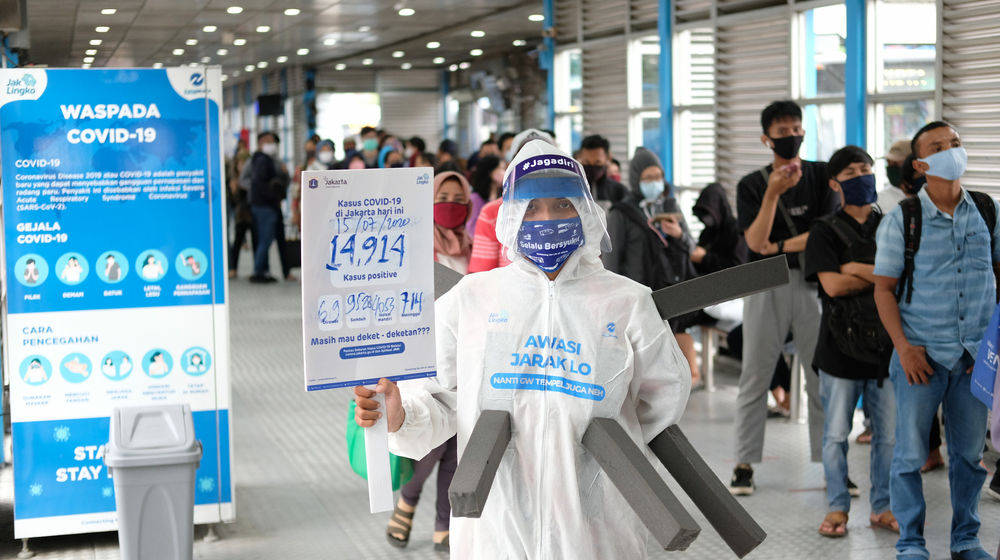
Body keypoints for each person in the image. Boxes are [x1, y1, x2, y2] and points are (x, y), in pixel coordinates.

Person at [354, 139, 690, 559]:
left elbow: (662, 403)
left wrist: (592, 457)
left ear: (584, 210)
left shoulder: (627, 302)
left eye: (562, 205)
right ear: (510, 215)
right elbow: (440, 401)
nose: (546, 218)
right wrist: (401, 413)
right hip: (497, 525)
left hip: (598, 528)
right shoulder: (473, 299)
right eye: (530, 207)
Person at [873, 121, 1000, 560]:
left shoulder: (988, 211)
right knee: (909, 456)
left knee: (968, 457)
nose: (952, 151)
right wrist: (903, 348)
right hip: (919, 358)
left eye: (956, 143)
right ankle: (911, 542)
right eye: (939, 147)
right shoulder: (902, 219)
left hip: (975, 359)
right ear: (922, 163)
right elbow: (883, 289)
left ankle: (966, 540)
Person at [730, 100, 839, 495]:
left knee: (820, 376)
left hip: (813, 284)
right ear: (767, 139)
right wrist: (773, 195)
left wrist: (778, 244)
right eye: (782, 131)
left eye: (796, 128)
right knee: (755, 374)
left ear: (804, 133)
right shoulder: (752, 185)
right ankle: (744, 463)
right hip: (764, 284)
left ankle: (832, 464)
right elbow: (755, 244)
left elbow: (826, 232)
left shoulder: (823, 175)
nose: (790, 135)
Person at [804, 145, 897, 538]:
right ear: (834, 183)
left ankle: (883, 507)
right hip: (838, 351)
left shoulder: (892, 225)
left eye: (866, 168)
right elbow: (833, 285)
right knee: (836, 434)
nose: (862, 175)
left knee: (888, 437)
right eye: (852, 171)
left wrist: (856, 267)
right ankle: (839, 507)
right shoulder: (823, 230)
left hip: (887, 348)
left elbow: (902, 279)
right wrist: (878, 275)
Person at [385, 171, 471, 552]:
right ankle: (407, 499)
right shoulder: (416, 247)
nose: (450, 203)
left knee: (457, 444)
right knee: (429, 442)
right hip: (421, 358)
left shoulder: (476, 247)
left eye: (458, 197)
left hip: (466, 358)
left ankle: (443, 521)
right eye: (443, 196)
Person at [468, 129, 554, 273]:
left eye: (542, 156)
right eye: (526, 157)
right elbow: (481, 279)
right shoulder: (492, 213)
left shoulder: (573, 208)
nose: (535, 164)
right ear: (511, 164)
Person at [247, 131, 294, 283]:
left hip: (264, 205)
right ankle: (259, 271)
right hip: (265, 205)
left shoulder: (269, 160)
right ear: (260, 143)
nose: (271, 144)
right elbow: (259, 183)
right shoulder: (262, 161)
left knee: (265, 239)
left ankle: (263, 271)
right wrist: (274, 197)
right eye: (268, 141)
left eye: (273, 141)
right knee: (265, 239)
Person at [692, 182, 748, 274]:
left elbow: (738, 266)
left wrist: (704, 258)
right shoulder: (707, 232)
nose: (705, 218)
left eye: (708, 212)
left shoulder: (736, 230)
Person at [577, 135, 629, 205]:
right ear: (580, 158)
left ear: (608, 158)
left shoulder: (619, 191)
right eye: (587, 162)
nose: (592, 167)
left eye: (597, 162)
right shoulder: (572, 189)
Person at [229, 145, 255, 278]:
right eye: (240, 163)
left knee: (256, 240)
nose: (242, 165)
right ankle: (233, 268)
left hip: (253, 211)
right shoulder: (234, 178)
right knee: (238, 241)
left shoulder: (251, 177)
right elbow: (234, 200)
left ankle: (258, 269)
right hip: (241, 213)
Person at [467, 155, 505, 235]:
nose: (504, 172)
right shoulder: (475, 199)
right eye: (501, 168)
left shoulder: (502, 197)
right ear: (490, 172)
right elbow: (471, 229)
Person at [877, 139, 911, 211]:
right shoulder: (880, 200)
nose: (891, 167)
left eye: (896, 163)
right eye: (888, 162)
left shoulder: (930, 195)